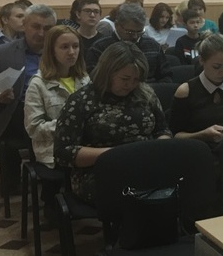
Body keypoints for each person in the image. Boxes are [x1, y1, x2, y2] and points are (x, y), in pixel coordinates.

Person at [54, 42, 172, 204]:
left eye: (136, 79)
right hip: (100, 169)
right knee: (136, 195)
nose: (130, 85)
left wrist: (158, 148)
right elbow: (63, 152)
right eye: (125, 79)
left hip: (144, 163)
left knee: (176, 186)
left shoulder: (145, 94)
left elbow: (163, 130)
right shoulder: (81, 100)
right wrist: (116, 154)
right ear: (107, 73)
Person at [0, 5, 57, 195]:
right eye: (36, 27)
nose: (41, 33)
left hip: (54, 113)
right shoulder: (3, 52)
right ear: (25, 26)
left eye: (47, 28)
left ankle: (53, 190)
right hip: (17, 114)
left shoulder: (62, 50)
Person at [23, 25, 89, 223]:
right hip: (53, 149)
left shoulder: (84, 79)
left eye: (75, 46)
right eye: (64, 47)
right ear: (51, 51)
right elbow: (34, 128)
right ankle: (54, 203)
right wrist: (67, 126)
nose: (72, 52)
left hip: (84, 144)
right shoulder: (38, 84)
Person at [170, 34, 223, 142]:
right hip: (200, 147)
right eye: (216, 67)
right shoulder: (186, 92)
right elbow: (176, 135)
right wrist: (202, 135)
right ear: (201, 60)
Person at [86, 3, 172, 82]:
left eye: (139, 32)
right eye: (130, 32)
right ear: (117, 25)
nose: (135, 36)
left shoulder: (153, 46)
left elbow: (166, 76)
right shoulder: (99, 48)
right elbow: (94, 80)